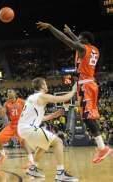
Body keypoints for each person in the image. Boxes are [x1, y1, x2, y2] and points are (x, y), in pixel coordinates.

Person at [37, 21, 112, 163]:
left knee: (87, 117)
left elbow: (66, 41)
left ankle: (103, 148)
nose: (76, 39)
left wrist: (51, 27)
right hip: (91, 84)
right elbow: (76, 41)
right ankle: (102, 147)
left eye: (79, 37)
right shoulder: (94, 49)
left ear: (84, 40)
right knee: (88, 116)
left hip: (86, 85)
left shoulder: (83, 49)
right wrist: (70, 32)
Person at [18, 77, 78, 181]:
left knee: (44, 145)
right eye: (45, 84)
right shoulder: (41, 96)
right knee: (58, 142)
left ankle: (33, 169)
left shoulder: (32, 98)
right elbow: (62, 98)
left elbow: (41, 118)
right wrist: (73, 90)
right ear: (41, 86)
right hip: (28, 128)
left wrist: (53, 115)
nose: (47, 86)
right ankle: (60, 174)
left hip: (23, 128)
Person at [0, 89, 33, 166]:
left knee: (23, 142)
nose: (9, 92)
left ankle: (31, 160)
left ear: (15, 93)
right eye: (8, 92)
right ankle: (3, 155)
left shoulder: (21, 101)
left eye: (10, 91)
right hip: (12, 125)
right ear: (7, 96)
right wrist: (1, 111)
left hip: (21, 125)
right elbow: (3, 115)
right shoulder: (6, 104)